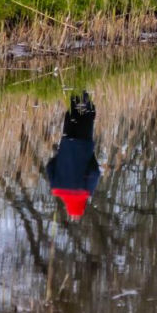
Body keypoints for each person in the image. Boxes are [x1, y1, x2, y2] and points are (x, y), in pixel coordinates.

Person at [46, 92, 101, 221]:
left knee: (88, 115)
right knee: (72, 114)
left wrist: (90, 155)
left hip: (83, 144)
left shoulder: (86, 191)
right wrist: (60, 157)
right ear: (68, 206)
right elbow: (49, 167)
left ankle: (85, 94)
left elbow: (95, 172)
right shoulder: (56, 187)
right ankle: (73, 91)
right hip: (67, 143)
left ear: (82, 206)